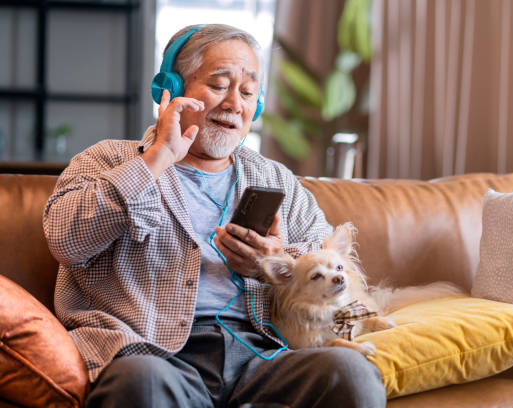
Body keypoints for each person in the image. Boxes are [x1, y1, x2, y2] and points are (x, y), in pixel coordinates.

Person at [43, 24, 386, 408]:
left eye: (247, 92)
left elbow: (325, 259)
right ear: (171, 89)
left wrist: (271, 263)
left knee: (351, 374)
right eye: (220, 85)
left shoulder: (275, 179)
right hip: (152, 353)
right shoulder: (108, 159)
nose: (234, 104)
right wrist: (155, 161)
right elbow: (65, 240)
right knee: (141, 381)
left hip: (262, 355)